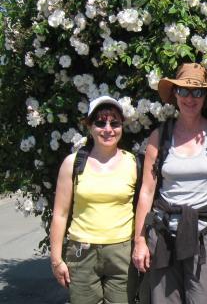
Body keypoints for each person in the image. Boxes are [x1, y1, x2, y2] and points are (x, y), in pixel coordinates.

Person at [132, 62, 207, 304]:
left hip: (205, 235)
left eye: (198, 92)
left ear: (205, 96)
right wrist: (139, 240)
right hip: (163, 235)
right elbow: (147, 192)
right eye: (184, 91)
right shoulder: (159, 137)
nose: (191, 98)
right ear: (175, 94)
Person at [50, 96, 138, 304]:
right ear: (89, 126)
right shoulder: (72, 164)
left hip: (122, 252)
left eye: (114, 123)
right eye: (100, 122)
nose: (108, 129)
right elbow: (60, 214)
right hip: (82, 251)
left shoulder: (133, 163)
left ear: (121, 127)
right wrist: (56, 260)